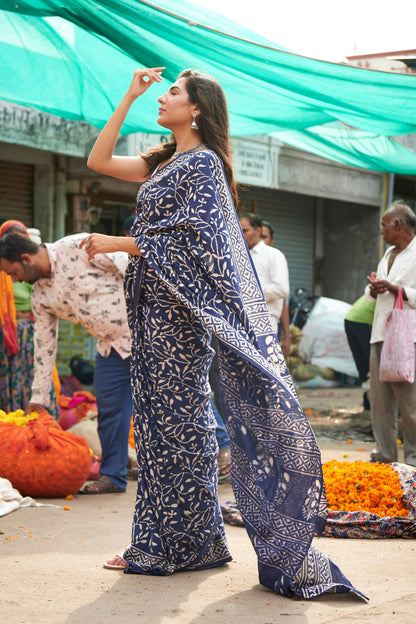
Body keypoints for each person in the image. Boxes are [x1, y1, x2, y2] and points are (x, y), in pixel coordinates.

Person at [78, 67, 361, 598]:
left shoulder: (204, 165)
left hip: (180, 314)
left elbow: (192, 243)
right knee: (162, 424)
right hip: (150, 309)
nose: (163, 99)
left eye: (172, 93)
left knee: (181, 421)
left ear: (199, 109)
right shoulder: (165, 162)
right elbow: (96, 161)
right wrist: (128, 94)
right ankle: (184, 539)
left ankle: (175, 545)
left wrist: (120, 243)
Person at [0, 231, 133, 494]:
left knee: (177, 398)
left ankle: (220, 449)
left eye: (13, 272)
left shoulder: (77, 246)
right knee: (109, 413)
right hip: (110, 349)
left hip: (148, 335)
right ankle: (114, 477)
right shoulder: (40, 295)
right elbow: (44, 347)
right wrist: (38, 396)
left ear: (25, 259)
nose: (14, 279)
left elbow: (130, 264)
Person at [365, 201, 416, 467]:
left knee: (409, 403)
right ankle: (384, 456)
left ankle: (413, 459)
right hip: (381, 333)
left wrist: (396, 289)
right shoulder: (388, 254)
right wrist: (374, 289)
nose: (381, 231)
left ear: (398, 225)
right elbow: (372, 296)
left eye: (384, 225)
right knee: (380, 401)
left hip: (408, 337)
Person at [0, 220, 59, 416]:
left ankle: (40, 420)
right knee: (10, 380)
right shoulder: (6, 270)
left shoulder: (34, 271)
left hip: (30, 331)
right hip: (6, 334)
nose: (14, 278)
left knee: (36, 377)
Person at [240, 213, 290, 357]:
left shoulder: (274, 255)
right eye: (239, 230)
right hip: (241, 326)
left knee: (264, 376)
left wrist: (248, 294)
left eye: (245, 230)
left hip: (264, 327)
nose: (241, 234)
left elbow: (282, 289)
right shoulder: (238, 256)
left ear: (258, 231)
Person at [260, 220, 291, 356]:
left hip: (268, 329)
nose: (260, 241)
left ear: (271, 240)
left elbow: (282, 302)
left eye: (264, 237)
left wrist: (287, 336)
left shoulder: (275, 259)